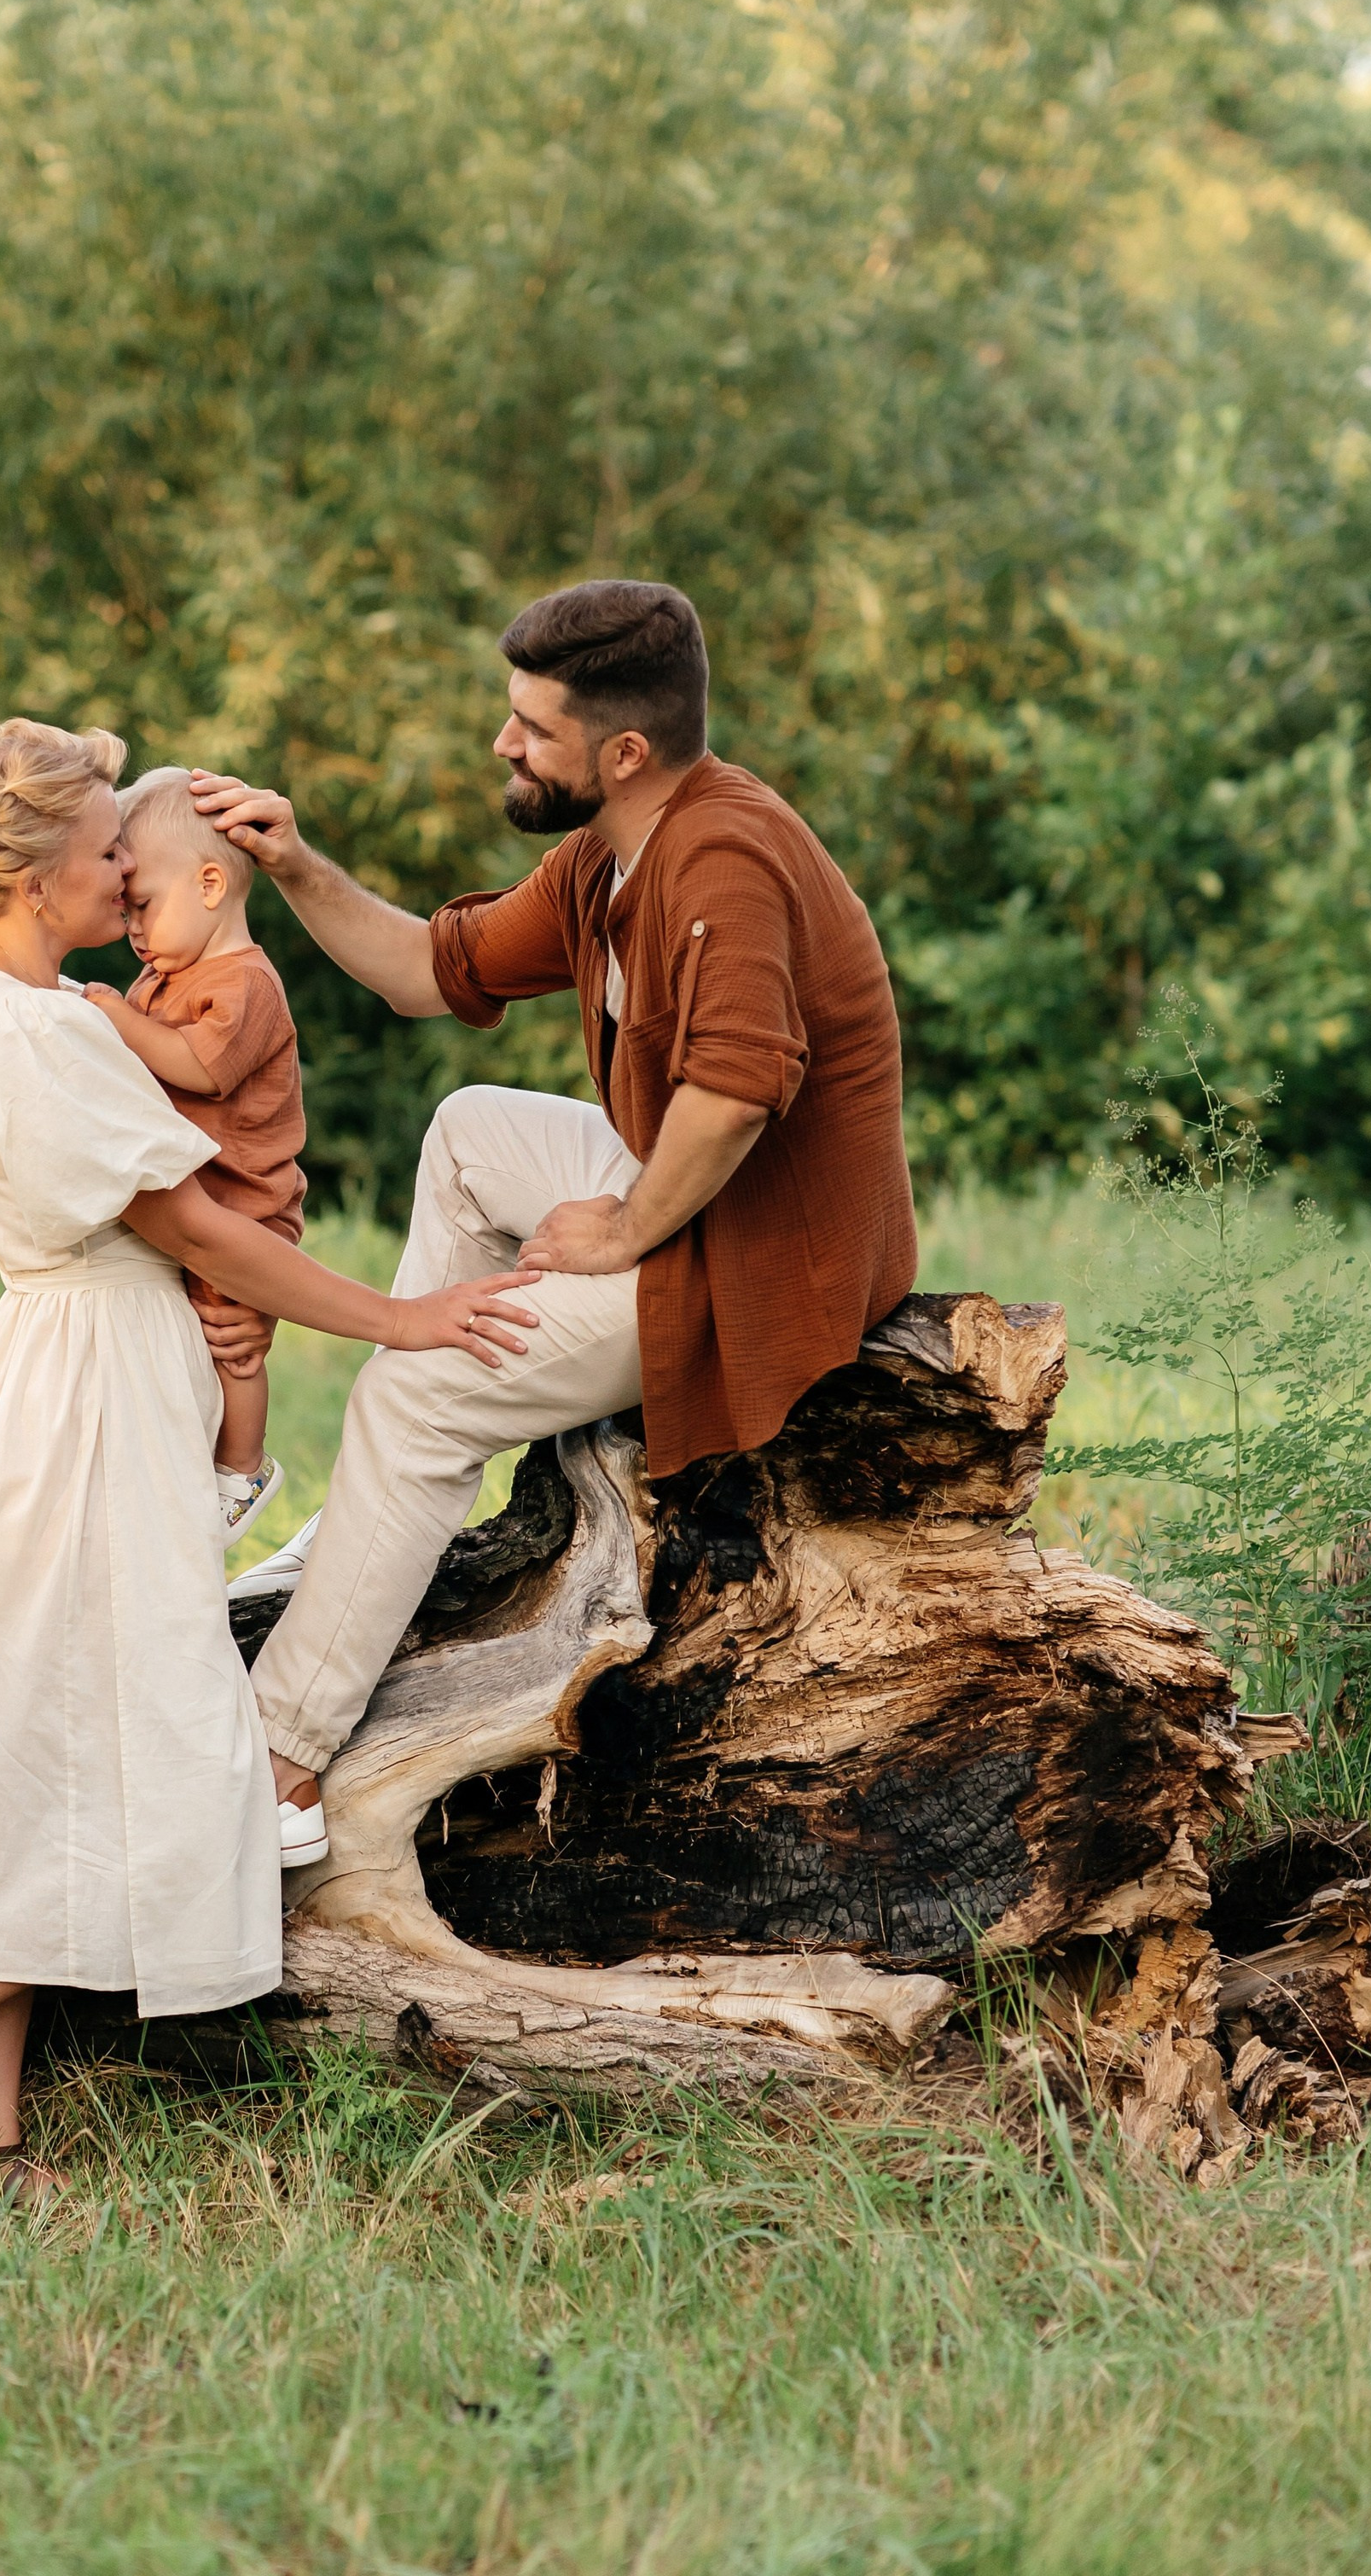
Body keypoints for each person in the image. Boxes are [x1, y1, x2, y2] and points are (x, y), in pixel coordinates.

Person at [0, 718, 540, 2194]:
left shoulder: (22, 1013)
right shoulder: (42, 1027)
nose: (131, 875)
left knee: (36, 1742)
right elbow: (192, 1226)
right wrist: (403, 1318)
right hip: (88, 1392)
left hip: (84, 1373)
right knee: (129, 1751)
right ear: (44, 869)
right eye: (111, 851)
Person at [195, 579, 918, 1844]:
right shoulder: (610, 854)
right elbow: (431, 968)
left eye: (530, 726)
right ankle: (374, 1523)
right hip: (698, 1199)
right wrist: (293, 864)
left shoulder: (725, 860)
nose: (503, 744)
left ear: (623, 751)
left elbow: (744, 1088)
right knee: (471, 1130)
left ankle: (281, 1765)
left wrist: (630, 1225)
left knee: (420, 1393)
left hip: (759, 1266)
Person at [82, 765, 305, 1542]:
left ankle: (242, 1470)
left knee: (233, 1339)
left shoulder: (245, 985)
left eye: (143, 905)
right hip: (193, 1203)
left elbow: (198, 1067)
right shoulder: (158, 978)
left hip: (244, 1206)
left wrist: (112, 1016)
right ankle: (191, 1463)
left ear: (211, 883)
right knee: (190, 1341)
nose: (133, 929)